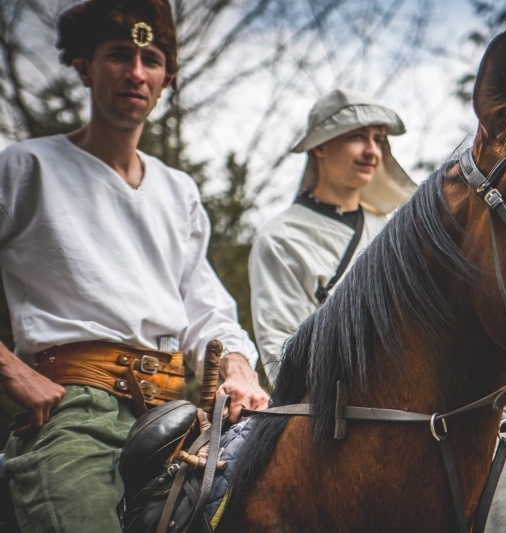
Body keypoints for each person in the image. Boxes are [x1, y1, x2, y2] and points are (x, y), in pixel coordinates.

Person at [0, 1, 270, 531]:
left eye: (151, 59)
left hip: (177, 418)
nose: (136, 73)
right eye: (119, 55)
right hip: (77, 416)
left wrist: (238, 365)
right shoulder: (24, 167)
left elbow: (205, 306)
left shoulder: (179, 192)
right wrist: (13, 371)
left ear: (167, 78)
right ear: (83, 66)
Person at [249, 89, 416, 387]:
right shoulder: (281, 239)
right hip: (338, 413)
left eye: (378, 139)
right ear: (320, 146)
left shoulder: (393, 231)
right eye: (357, 136)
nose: (372, 151)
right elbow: (285, 362)